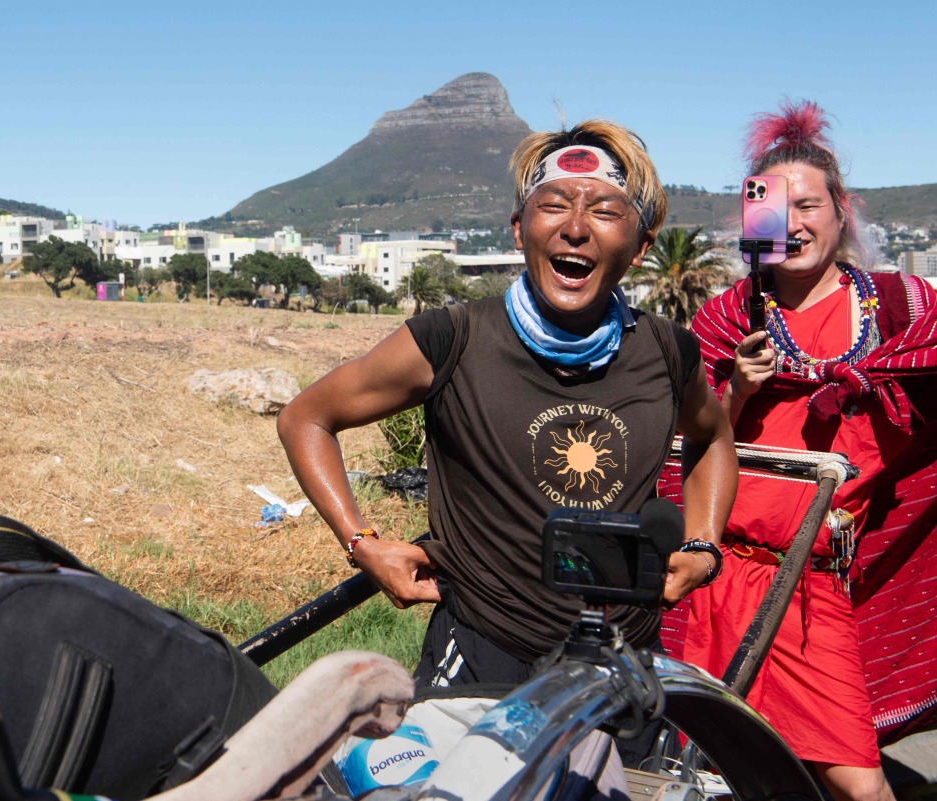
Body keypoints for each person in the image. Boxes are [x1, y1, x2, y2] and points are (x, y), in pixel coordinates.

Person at [277, 119, 737, 691]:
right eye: (554, 205)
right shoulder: (453, 340)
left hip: (622, 664)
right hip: (483, 653)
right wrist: (361, 544)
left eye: (605, 211)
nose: (575, 228)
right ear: (520, 230)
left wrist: (703, 547)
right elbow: (307, 418)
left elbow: (714, 439)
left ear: (641, 247)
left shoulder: (668, 351)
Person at [685, 100, 937, 801]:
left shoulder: (900, 308)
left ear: (840, 208)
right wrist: (735, 389)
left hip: (811, 583)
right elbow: (686, 453)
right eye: (775, 207)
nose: (793, 224)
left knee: (861, 786)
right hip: (720, 574)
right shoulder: (730, 316)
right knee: (710, 777)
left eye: (809, 204)